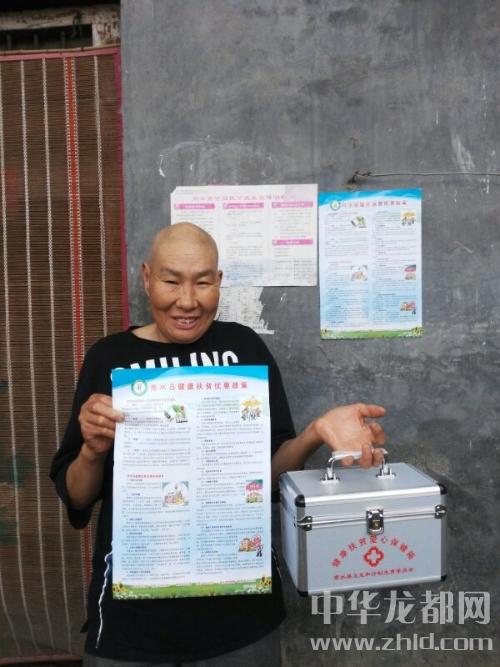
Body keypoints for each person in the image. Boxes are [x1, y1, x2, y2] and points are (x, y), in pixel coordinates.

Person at [50, 223, 386, 666]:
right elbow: (76, 496)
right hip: (130, 623)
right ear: (147, 278)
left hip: (240, 620)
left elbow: (269, 476)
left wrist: (315, 432)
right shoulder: (109, 358)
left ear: (220, 282)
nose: (187, 301)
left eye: (203, 283)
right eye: (171, 281)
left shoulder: (243, 348)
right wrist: (92, 450)